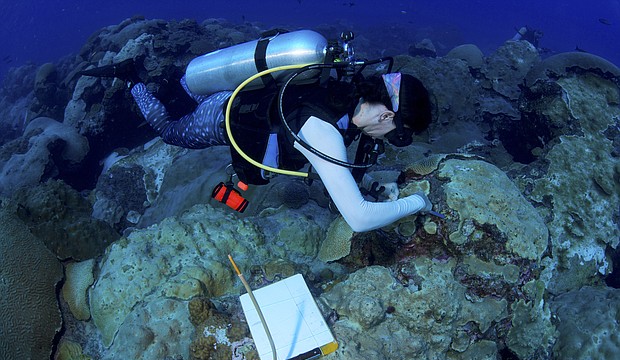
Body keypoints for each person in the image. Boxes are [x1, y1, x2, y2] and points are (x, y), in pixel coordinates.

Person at [82, 51, 434, 232]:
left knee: (184, 103)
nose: (391, 138)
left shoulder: (347, 96)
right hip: (224, 117)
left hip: (247, 98)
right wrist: (419, 201)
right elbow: (359, 218)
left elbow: (334, 167)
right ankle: (132, 80)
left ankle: (178, 85)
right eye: (398, 133)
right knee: (171, 131)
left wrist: (371, 183)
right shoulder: (325, 130)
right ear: (387, 116)